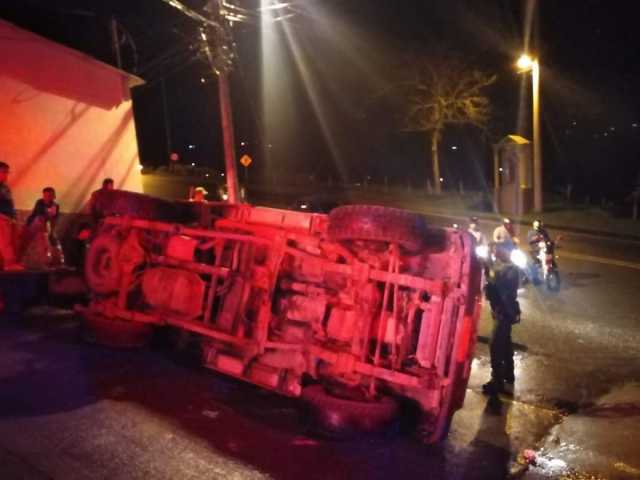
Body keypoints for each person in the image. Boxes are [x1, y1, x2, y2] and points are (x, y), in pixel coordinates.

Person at [482, 243, 521, 396]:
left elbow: (499, 286)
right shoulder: (501, 265)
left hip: (504, 313)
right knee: (505, 344)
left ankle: (497, 381)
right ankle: (508, 375)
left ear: (506, 252)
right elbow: (492, 278)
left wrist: (489, 268)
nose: (495, 251)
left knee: (495, 345)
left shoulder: (511, 270)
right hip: (501, 312)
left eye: (498, 249)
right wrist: (487, 266)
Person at [0, 162, 23, 270]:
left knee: (13, 241)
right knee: (5, 242)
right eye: (3, 172)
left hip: (9, 218)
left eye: (7, 172)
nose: (6, 175)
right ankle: (9, 264)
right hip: (2, 218)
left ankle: (8, 264)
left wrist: (14, 217)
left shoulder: (5, 187)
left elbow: (10, 203)